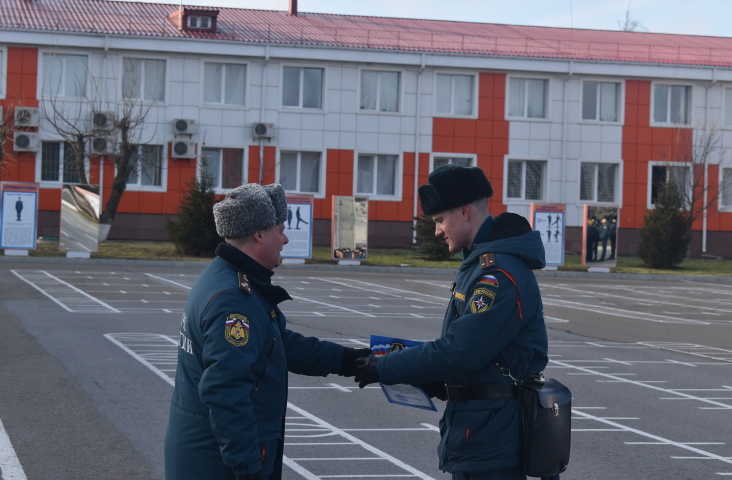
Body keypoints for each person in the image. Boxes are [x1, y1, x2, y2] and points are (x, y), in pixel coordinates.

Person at [353, 164, 559, 480]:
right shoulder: (478, 263)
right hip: (480, 430)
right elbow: (475, 355)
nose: (437, 231)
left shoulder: (498, 274)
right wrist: (433, 378)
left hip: (493, 439)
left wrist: (387, 366)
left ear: (464, 212)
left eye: (439, 220)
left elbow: (462, 350)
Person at [164, 183, 368, 480]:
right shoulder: (233, 300)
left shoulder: (232, 279)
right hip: (218, 464)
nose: (285, 239)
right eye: (280, 230)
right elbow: (225, 391)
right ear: (259, 234)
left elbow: (277, 344)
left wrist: (348, 360)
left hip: (212, 455)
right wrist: (246, 467)